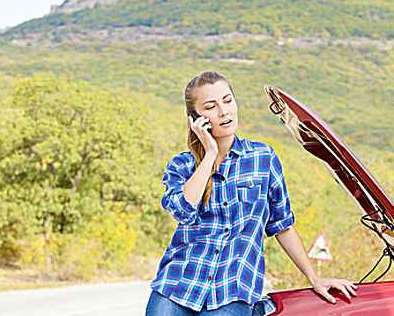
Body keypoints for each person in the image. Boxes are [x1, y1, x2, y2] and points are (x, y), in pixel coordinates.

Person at [146, 72, 357, 315]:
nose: (224, 111)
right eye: (211, 107)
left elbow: (282, 224)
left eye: (227, 100)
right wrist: (210, 155)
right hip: (177, 285)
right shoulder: (181, 165)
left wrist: (314, 277)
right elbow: (183, 210)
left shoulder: (262, 157)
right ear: (195, 118)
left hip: (233, 289)